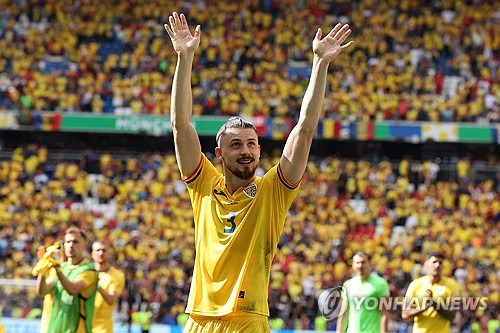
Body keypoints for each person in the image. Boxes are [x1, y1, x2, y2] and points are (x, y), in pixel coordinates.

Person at [164, 11, 353, 332]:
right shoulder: (203, 184)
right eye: (236, 145)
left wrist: (321, 65)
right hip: (200, 318)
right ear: (219, 154)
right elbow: (180, 124)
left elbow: (304, 129)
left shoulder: (273, 191)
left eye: (251, 143)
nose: (246, 150)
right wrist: (185, 58)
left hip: (249, 319)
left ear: (259, 150)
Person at [35, 226, 98, 333]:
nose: (71, 245)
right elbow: (42, 291)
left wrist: (58, 269)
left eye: (75, 242)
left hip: (78, 329)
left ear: (85, 245)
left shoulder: (89, 270)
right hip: (57, 328)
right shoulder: (61, 267)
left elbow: (72, 289)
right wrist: (43, 268)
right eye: (68, 242)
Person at [402, 251, 461, 333]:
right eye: (434, 262)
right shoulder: (415, 285)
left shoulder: (452, 286)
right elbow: (405, 314)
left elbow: (452, 316)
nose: (437, 265)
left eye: (440, 263)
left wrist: (433, 304)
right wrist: (423, 308)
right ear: (427, 264)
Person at [336, 252, 390, 333]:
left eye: (363, 262)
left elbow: (384, 314)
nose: (360, 266)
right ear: (353, 265)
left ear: (369, 264)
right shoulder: (348, 285)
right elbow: (344, 313)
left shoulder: (380, 284)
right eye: (357, 263)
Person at [91, 240, 126, 333]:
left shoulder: (117, 275)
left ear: (109, 253)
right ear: (92, 254)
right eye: (97, 250)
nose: (100, 253)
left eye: (104, 250)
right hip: (82, 323)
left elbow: (111, 300)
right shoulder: (86, 272)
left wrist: (97, 285)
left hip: (102, 327)